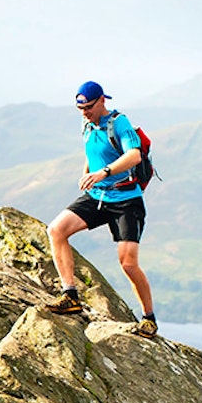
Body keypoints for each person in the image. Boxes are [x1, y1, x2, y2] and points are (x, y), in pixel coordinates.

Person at [44, 81, 158, 338]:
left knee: (128, 263)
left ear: (102, 101)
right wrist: (86, 173)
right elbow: (92, 150)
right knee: (56, 230)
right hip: (97, 196)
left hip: (126, 199)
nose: (84, 112)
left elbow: (134, 156)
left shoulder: (119, 123)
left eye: (89, 107)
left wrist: (102, 172)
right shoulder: (86, 124)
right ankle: (70, 295)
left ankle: (149, 318)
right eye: (80, 108)